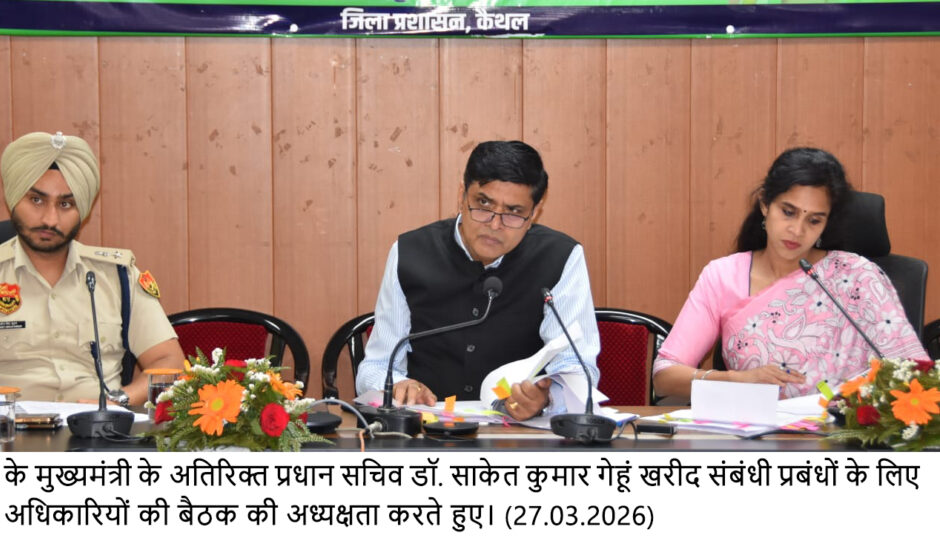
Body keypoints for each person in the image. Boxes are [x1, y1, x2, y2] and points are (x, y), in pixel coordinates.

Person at [0, 131, 184, 406]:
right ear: (13, 200)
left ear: (83, 211)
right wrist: (2, 410)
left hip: (96, 428)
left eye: (66, 204)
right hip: (2, 427)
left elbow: (171, 363)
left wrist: (120, 401)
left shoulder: (118, 275)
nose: (50, 219)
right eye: (36, 200)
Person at [653, 147, 927, 399]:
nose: (797, 230)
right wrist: (735, 380)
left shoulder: (856, 275)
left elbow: (913, 373)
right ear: (765, 204)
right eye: (788, 212)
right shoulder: (722, 276)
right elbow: (665, 376)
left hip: (847, 428)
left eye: (814, 220)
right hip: (760, 430)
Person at [355, 140, 600, 421]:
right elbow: (375, 366)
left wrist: (547, 398)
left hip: (518, 431)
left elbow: (578, 369)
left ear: (535, 212)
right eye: (483, 204)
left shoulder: (561, 256)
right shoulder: (410, 251)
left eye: (514, 212)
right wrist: (399, 384)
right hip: (427, 427)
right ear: (462, 194)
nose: (494, 225)